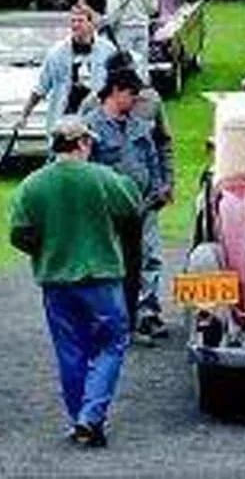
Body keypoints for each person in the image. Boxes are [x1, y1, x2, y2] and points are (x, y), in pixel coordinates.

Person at [8, 118, 142, 448]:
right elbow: (132, 204)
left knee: (70, 350)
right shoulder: (103, 177)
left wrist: (44, 250)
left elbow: (19, 234)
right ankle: (91, 416)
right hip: (101, 276)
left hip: (55, 279)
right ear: (82, 143)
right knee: (111, 343)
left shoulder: (31, 185)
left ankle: (78, 417)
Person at [82, 69, 172, 340]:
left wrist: (159, 189)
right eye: (132, 94)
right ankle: (108, 321)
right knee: (110, 267)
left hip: (143, 206)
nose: (136, 101)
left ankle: (139, 318)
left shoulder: (138, 124)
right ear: (116, 91)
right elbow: (85, 169)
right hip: (108, 212)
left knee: (145, 260)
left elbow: (152, 156)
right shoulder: (91, 127)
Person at [21, 8, 117, 138]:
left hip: (97, 118)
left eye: (80, 21)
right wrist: (25, 115)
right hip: (64, 119)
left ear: (91, 24)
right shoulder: (57, 53)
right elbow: (41, 88)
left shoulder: (107, 50)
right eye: (73, 21)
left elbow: (117, 84)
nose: (76, 25)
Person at [103, 0, 158, 84]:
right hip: (142, 26)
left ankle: (129, 91)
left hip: (123, 28)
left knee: (126, 64)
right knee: (142, 62)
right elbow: (153, 7)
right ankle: (144, 90)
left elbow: (113, 7)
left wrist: (110, 24)